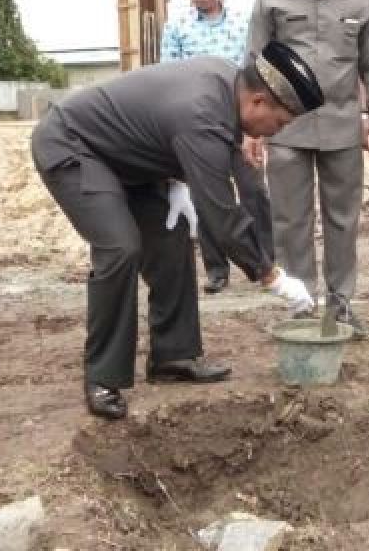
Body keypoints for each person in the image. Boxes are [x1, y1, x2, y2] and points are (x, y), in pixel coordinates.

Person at [31, 42, 320, 419]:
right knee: (120, 248)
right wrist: (271, 275)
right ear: (259, 101)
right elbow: (221, 215)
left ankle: (174, 353)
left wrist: (178, 180)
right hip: (75, 146)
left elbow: (173, 132)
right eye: (280, 123)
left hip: (126, 159)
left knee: (171, 236)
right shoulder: (204, 111)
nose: (274, 132)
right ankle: (103, 376)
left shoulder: (226, 82)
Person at [246, 0, 369, 336]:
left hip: (343, 127)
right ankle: (302, 302)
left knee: (343, 219)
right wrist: (251, 130)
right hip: (285, 128)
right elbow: (252, 68)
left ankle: (342, 303)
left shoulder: (363, 1)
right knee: (290, 219)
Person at [159, 0, 272, 294]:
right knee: (208, 196)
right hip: (199, 126)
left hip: (240, 123)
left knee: (253, 191)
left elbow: (256, 71)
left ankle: (265, 259)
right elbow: (170, 77)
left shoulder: (244, 22)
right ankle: (216, 269)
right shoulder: (177, 28)